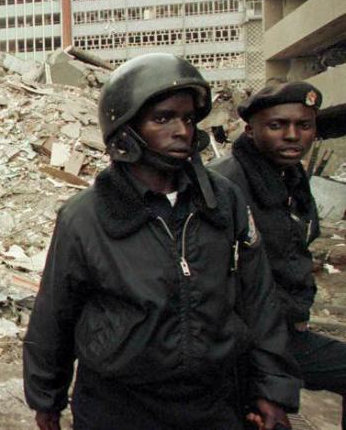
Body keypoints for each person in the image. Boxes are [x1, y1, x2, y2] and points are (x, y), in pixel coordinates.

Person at [23, 53, 300, 430]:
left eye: (187, 118)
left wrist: (273, 389)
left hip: (213, 402)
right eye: (163, 118)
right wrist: (46, 401)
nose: (182, 131)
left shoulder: (223, 201)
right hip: (118, 407)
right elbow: (55, 314)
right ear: (126, 128)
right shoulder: (85, 217)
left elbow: (259, 299)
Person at [211, 82, 346, 428]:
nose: (292, 136)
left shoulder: (290, 177)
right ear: (250, 129)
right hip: (246, 339)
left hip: (284, 331)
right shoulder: (226, 184)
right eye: (277, 125)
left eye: (304, 126)